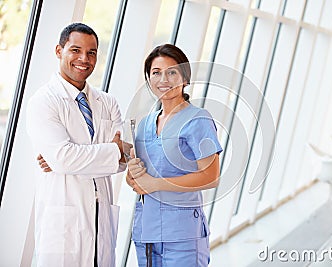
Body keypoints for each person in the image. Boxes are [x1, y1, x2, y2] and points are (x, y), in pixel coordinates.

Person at [26, 23, 131, 267]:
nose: (84, 59)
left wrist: (71, 159)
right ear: (58, 50)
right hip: (64, 225)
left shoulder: (107, 102)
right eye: (75, 50)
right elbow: (64, 158)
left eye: (91, 52)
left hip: (100, 217)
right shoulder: (43, 102)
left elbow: (123, 162)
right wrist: (114, 150)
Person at [126, 44, 223, 267]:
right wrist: (132, 177)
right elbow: (139, 179)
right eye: (156, 73)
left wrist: (155, 184)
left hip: (182, 234)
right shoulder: (144, 124)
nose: (163, 79)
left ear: (185, 78)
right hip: (147, 232)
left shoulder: (198, 120)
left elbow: (211, 176)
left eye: (172, 72)